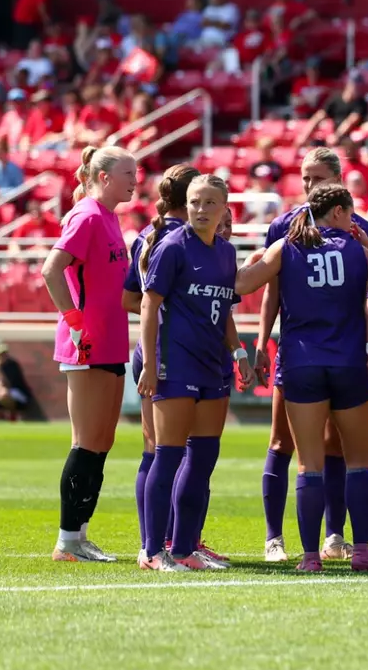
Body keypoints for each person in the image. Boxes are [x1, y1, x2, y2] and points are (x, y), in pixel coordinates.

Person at [236, 184, 368, 572]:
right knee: (358, 462)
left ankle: (311, 557)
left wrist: (241, 260)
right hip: (349, 363)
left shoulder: (286, 246)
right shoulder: (356, 249)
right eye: (350, 212)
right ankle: (362, 551)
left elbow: (242, 284)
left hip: (301, 364)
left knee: (309, 465)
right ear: (338, 212)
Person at [138, 175, 254, 572]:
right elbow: (148, 306)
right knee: (168, 455)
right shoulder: (172, 247)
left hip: (213, 366)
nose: (201, 209)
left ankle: (185, 549)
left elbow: (224, 311)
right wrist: (150, 364)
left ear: (225, 208)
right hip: (176, 364)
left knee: (203, 458)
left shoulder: (226, 252)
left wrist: (238, 352)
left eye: (209, 203)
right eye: (194, 202)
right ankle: (153, 551)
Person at [40, 146, 138, 563]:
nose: (135, 180)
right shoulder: (87, 215)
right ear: (103, 177)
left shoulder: (110, 217)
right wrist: (74, 319)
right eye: (127, 173)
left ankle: (79, 536)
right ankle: (67, 541)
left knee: (102, 441)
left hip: (112, 340)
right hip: (87, 344)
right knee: (86, 442)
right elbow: (51, 269)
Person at [122, 164, 196, 563]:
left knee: (156, 450)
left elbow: (130, 299)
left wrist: (160, 312)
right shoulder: (183, 239)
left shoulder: (145, 237)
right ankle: (166, 542)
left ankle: (160, 540)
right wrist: (176, 315)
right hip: (173, 353)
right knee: (171, 452)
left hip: (150, 349)